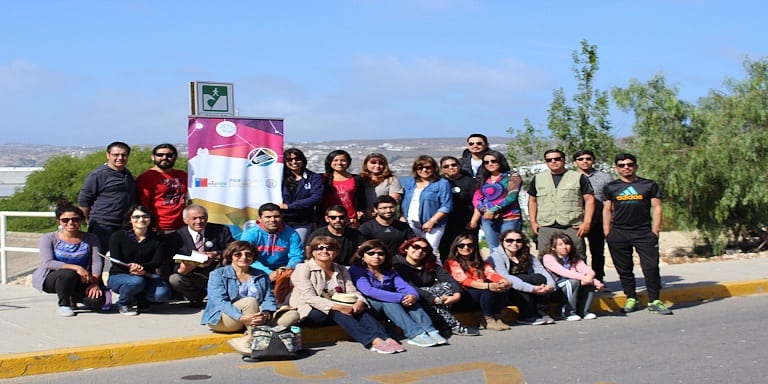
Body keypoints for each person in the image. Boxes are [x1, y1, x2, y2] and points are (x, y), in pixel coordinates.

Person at [290, 236, 405, 354]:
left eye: (329, 248)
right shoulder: (303, 268)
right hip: (310, 310)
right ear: (312, 252)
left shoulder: (341, 269)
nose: (324, 251)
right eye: (319, 248)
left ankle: (386, 338)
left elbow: (352, 291)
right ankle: (373, 341)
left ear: (336, 252)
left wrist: (360, 302)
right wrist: (339, 307)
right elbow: (309, 297)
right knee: (339, 311)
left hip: (337, 305)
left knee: (360, 310)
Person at [603, 153, 672, 315]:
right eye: (622, 165)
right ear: (616, 168)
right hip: (619, 233)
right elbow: (607, 209)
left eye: (629, 164)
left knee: (651, 267)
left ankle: (654, 300)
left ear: (635, 166)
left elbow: (657, 207)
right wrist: (608, 232)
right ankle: (631, 298)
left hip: (644, 232)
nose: (626, 167)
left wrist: (655, 231)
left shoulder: (648, 185)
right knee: (624, 269)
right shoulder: (611, 187)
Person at [202, 241, 299, 355]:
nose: (244, 257)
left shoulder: (261, 275)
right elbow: (220, 301)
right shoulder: (218, 274)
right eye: (238, 254)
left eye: (248, 254)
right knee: (250, 301)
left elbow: (269, 297)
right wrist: (242, 318)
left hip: (254, 317)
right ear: (231, 256)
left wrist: (266, 313)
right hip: (225, 319)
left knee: (293, 314)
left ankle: (249, 337)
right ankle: (256, 339)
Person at [349, 239, 446, 347]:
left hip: (392, 300)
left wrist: (412, 295)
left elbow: (404, 286)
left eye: (380, 254)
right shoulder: (357, 270)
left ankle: (431, 330)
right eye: (371, 253)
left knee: (411, 300)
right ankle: (415, 334)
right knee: (390, 302)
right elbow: (369, 291)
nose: (376, 256)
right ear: (362, 255)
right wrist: (400, 297)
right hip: (370, 304)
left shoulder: (389, 270)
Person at [32, 201, 106, 317]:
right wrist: (77, 268)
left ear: (81, 220)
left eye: (75, 219)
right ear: (59, 221)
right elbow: (48, 262)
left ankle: (72, 296)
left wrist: (95, 283)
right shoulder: (48, 238)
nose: (70, 222)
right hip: (54, 278)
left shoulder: (91, 238)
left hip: (81, 279)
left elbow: (97, 261)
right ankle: (64, 304)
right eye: (65, 220)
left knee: (97, 301)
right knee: (68, 273)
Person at [393, 238, 479, 336]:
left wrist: (456, 295)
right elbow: (408, 286)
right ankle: (453, 325)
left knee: (445, 286)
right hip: (411, 297)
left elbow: (450, 280)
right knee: (425, 292)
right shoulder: (397, 265)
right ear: (406, 248)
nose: (420, 251)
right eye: (416, 247)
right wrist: (433, 299)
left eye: (424, 249)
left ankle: (443, 324)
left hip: (433, 299)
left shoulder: (430, 265)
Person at [527, 149, 595, 258]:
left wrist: (587, 222)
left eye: (557, 159)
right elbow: (532, 201)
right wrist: (533, 222)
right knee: (545, 259)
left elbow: (589, 200)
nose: (553, 161)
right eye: (549, 160)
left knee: (577, 258)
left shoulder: (578, 177)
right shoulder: (538, 178)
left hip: (572, 226)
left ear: (563, 160)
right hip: (546, 225)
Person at [106, 205, 172, 316]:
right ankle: (123, 304)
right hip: (120, 275)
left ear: (150, 219)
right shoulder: (118, 236)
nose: (141, 220)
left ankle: (139, 298)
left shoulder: (158, 238)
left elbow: (157, 262)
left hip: (146, 274)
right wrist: (133, 269)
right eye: (136, 217)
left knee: (163, 293)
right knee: (136, 281)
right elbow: (115, 261)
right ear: (130, 219)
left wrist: (142, 269)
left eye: (145, 216)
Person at [167, 204, 234, 307]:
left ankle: (224, 297)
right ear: (185, 220)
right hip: (193, 273)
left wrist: (215, 254)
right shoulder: (176, 237)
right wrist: (182, 269)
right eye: (194, 218)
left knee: (230, 264)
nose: (199, 221)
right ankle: (196, 297)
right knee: (175, 279)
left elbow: (232, 250)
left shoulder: (221, 230)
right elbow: (170, 261)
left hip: (216, 269)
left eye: (202, 218)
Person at [443, 233, 511, 331]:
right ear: (456, 247)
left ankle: (496, 316)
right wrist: (487, 286)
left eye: (470, 245)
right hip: (462, 296)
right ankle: (488, 319)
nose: (466, 248)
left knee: (501, 289)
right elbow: (463, 281)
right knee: (489, 291)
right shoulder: (451, 263)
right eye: (461, 245)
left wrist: (503, 281)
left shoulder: (481, 263)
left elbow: (491, 274)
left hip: (478, 295)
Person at [78, 141, 136, 254]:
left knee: (122, 258)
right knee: (97, 257)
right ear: (108, 155)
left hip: (123, 225)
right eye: (116, 155)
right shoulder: (98, 175)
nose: (120, 158)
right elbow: (84, 200)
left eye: (124, 155)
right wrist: (88, 221)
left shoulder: (127, 174)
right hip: (102, 225)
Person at [487, 229, 556, 325]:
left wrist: (550, 285)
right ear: (502, 241)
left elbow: (541, 270)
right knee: (523, 278)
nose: (514, 243)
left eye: (518, 241)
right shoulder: (495, 257)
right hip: (508, 289)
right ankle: (526, 316)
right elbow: (505, 277)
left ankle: (541, 313)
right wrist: (532, 288)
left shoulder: (528, 255)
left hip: (530, 288)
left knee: (539, 277)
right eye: (509, 240)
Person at [240, 203, 304, 304]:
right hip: (257, 268)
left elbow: (297, 256)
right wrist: (268, 272)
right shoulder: (251, 234)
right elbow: (246, 258)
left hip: (283, 269)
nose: (272, 220)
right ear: (260, 218)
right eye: (268, 217)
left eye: (276, 216)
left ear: (282, 217)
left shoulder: (292, 234)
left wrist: (286, 270)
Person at [541, 233, 604, 321]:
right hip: (554, 289)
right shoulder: (548, 258)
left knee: (587, 282)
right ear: (553, 247)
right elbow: (564, 273)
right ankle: (565, 312)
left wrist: (594, 281)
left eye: (567, 244)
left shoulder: (574, 258)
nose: (564, 247)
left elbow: (588, 271)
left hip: (571, 287)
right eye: (560, 244)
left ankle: (583, 311)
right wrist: (585, 278)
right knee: (573, 282)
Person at [573, 150, 614, 281]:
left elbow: (612, 199)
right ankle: (581, 279)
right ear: (575, 162)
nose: (585, 161)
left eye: (588, 158)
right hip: (576, 220)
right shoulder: (570, 177)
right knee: (578, 252)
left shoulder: (605, 177)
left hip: (598, 220)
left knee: (597, 252)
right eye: (580, 159)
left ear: (593, 160)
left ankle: (598, 278)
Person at [471, 150, 523, 250]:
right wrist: (485, 211)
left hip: (509, 217)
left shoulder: (512, 176)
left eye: (493, 161)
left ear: (500, 161)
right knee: (494, 249)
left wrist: (495, 209)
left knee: (511, 247)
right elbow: (476, 198)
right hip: (488, 219)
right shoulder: (483, 179)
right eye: (486, 162)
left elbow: (512, 196)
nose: (490, 164)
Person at [401, 155, 452, 251]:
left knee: (429, 251)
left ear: (434, 168)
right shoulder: (410, 182)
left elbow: (446, 205)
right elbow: (403, 200)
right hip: (411, 224)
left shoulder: (442, 183)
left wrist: (432, 221)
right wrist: (402, 216)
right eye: (420, 168)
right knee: (414, 251)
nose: (424, 170)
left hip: (433, 226)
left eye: (428, 167)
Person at [135, 143, 188, 233]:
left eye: (169, 155)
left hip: (182, 227)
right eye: (160, 155)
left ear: (175, 157)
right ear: (153, 157)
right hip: (158, 228)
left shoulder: (183, 175)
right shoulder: (146, 177)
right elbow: (143, 205)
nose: (164, 157)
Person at [279, 148, 323, 245]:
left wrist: (290, 206)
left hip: (303, 220)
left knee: (298, 246)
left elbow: (316, 197)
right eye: (289, 160)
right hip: (281, 220)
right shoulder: (278, 177)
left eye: (297, 159)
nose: (294, 162)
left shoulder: (313, 177)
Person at [438, 156, 479, 260]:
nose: (450, 168)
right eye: (446, 166)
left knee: (468, 249)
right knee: (446, 250)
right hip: (446, 224)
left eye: (453, 165)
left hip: (466, 223)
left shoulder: (470, 182)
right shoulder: (439, 182)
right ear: (441, 169)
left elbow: (478, 203)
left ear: (459, 166)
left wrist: (474, 220)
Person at [320, 150, 366, 227]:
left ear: (348, 162)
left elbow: (361, 198)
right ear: (330, 162)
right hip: (328, 219)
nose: (339, 163)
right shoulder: (322, 178)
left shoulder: (356, 179)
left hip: (350, 220)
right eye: (336, 160)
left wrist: (361, 211)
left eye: (343, 160)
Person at [360, 152, 403, 218]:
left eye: (381, 163)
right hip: (364, 218)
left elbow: (393, 200)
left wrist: (378, 211)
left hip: (385, 217)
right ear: (366, 164)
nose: (377, 166)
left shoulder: (391, 180)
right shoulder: (360, 179)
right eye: (373, 163)